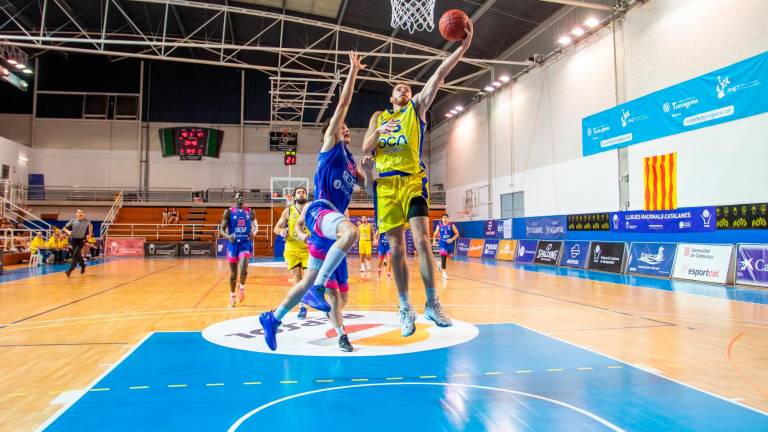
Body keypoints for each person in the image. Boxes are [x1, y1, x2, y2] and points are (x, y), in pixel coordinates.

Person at [362, 21, 473, 336]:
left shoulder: (417, 108)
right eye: (398, 87)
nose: (404, 89)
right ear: (390, 96)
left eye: (407, 87)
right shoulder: (378, 118)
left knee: (423, 242)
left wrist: (463, 47)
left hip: (411, 181)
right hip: (385, 186)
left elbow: (438, 74)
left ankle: (432, 302)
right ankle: (403, 306)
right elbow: (366, 147)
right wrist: (378, 134)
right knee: (396, 248)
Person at [259, 51, 374, 353]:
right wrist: (353, 71)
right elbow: (344, 105)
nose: (344, 129)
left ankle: (274, 318)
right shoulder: (329, 148)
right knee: (352, 233)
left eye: (348, 129)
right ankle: (319, 291)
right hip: (321, 211)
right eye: (340, 128)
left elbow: (373, 191)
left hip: (330, 228)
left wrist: (372, 168)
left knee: (333, 294)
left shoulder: (352, 165)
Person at [273, 186, 311, 319]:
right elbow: (276, 228)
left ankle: (318, 305)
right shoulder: (288, 211)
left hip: (308, 249)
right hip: (291, 248)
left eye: (303, 192)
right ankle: (302, 307)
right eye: (299, 192)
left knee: (309, 280)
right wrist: (281, 231)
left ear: (306, 196)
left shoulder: (311, 211)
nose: (301, 194)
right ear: (294, 196)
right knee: (298, 279)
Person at [219, 193, 259, 308]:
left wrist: (253, 233)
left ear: (244, 199)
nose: (240, 198)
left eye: (242, 196)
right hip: (233, 245)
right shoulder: (229, 211)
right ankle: (232, 295)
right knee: (233, 274)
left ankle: (241, 287)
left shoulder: (250, 211)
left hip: (245, 244)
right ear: (235, 199)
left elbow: (256, 227)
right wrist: (227, 236)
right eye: (238, 197)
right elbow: (221, 228)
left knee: (244, 269)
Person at [63, 209, 93, 277]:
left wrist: (90, 235)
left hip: (81, 240)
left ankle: (70, 271)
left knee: (75, 254)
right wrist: (68, 232)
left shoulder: (86, 221)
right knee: (77, 254)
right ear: (76, 214)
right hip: (73, 240)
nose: (80, 213)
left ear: (83, 214)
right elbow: (64, 228)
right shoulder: (73, 220)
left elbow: (91, 226)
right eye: (79, 212)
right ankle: (83, 265)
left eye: (82, 212)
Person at [433, 213, 460, 279]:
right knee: (443, 256)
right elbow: (435, 234)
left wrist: (451, 239)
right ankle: (444, 273)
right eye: (443, 218)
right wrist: (434, 241)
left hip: (449, 243)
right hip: (442, 243)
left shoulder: (452, 225)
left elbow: (457, 234)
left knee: (448, 256)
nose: (445, 219)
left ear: (448, 219)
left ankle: (440, 265)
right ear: (442, 219)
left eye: (446, 218)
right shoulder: (439, 226)